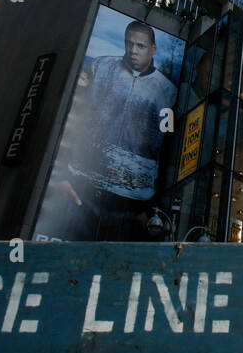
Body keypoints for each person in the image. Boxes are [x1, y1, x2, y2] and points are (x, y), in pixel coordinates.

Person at [45, 20, 177, 240]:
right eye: (129, 44)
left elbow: (168, 152)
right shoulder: (100, 67)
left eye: (141, 46)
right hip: (80, 190)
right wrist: (60, 176)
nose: (133, 50)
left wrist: (151, 209)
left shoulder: (167, 91)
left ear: (153, 49)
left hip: (132, 207)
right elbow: (72, 117)